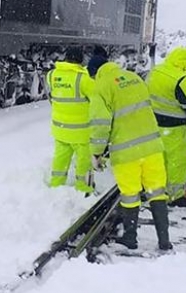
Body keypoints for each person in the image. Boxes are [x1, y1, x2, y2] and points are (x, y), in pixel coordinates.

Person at [89, 57, 172, 251]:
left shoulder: (100, 87)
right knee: (157, 192)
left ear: (95, 73)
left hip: (127, 152)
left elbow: (100, 125)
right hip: (152, 147)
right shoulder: (134, 77)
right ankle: (164, 241)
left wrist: (97, 153)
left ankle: (130, 237)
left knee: (130, 194)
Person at [146, 47, 186, 207]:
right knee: (176, 161)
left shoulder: (156, 71)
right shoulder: (183, 78)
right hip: (175, 126)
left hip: (154, 123)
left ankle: (155, 191)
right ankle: (175, 195)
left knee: (158, 159)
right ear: (185, 62)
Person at [47, 46, 95, 194]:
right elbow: (97, 99)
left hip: (60, 129)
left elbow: (52, 96)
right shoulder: (84, 79)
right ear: (81, 60)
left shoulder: (51, 75)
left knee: (60, 158)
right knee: (84, 161)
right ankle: (84, 188)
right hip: (81, 132)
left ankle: (56, 185)